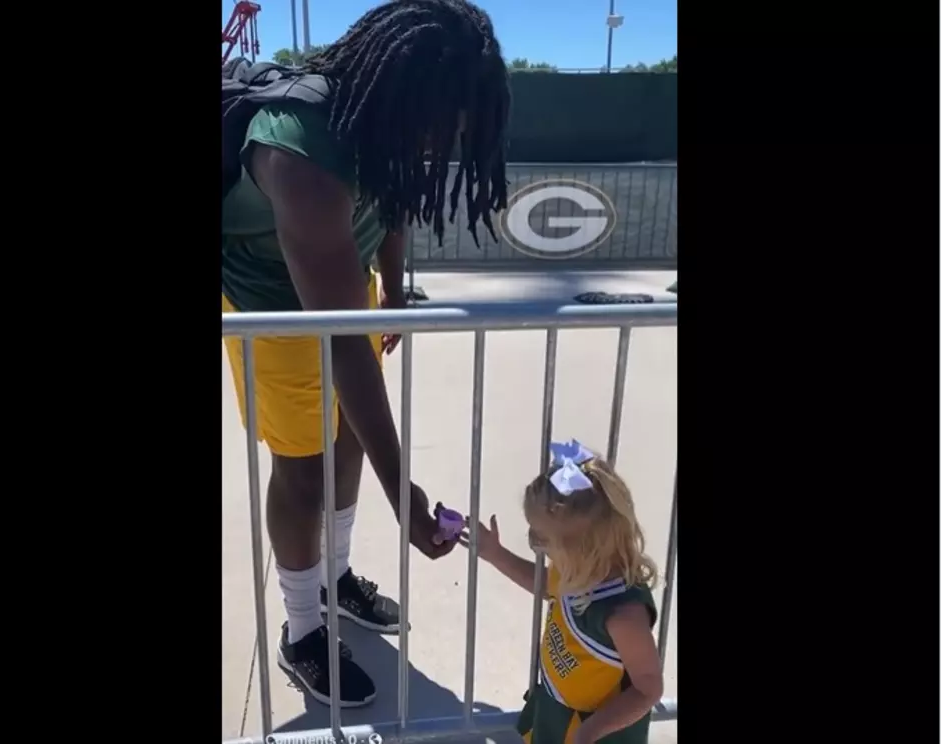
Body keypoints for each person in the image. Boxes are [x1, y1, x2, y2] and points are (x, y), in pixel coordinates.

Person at [221, 0, 510, 708]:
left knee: (348, 435)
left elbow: (395, 196)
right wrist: (404, 497)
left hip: (339, 281)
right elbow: (342, 340)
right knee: (305, 468)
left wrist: (396, 288)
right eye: (442, 132)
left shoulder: (384, 124)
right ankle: (301, 629)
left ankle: (337, 578)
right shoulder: (299, 154)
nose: (443, 149)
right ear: (404, 101)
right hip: (267, 298)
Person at [460, 441, 664, 743]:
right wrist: (497, 554)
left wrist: (591, 731)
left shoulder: (623, 616)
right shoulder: (577, 570)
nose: (533, 541)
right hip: (558, 709)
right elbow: (545, 585)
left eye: (542, 538)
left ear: (583, 548)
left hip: (599, 732)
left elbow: (648, 689)